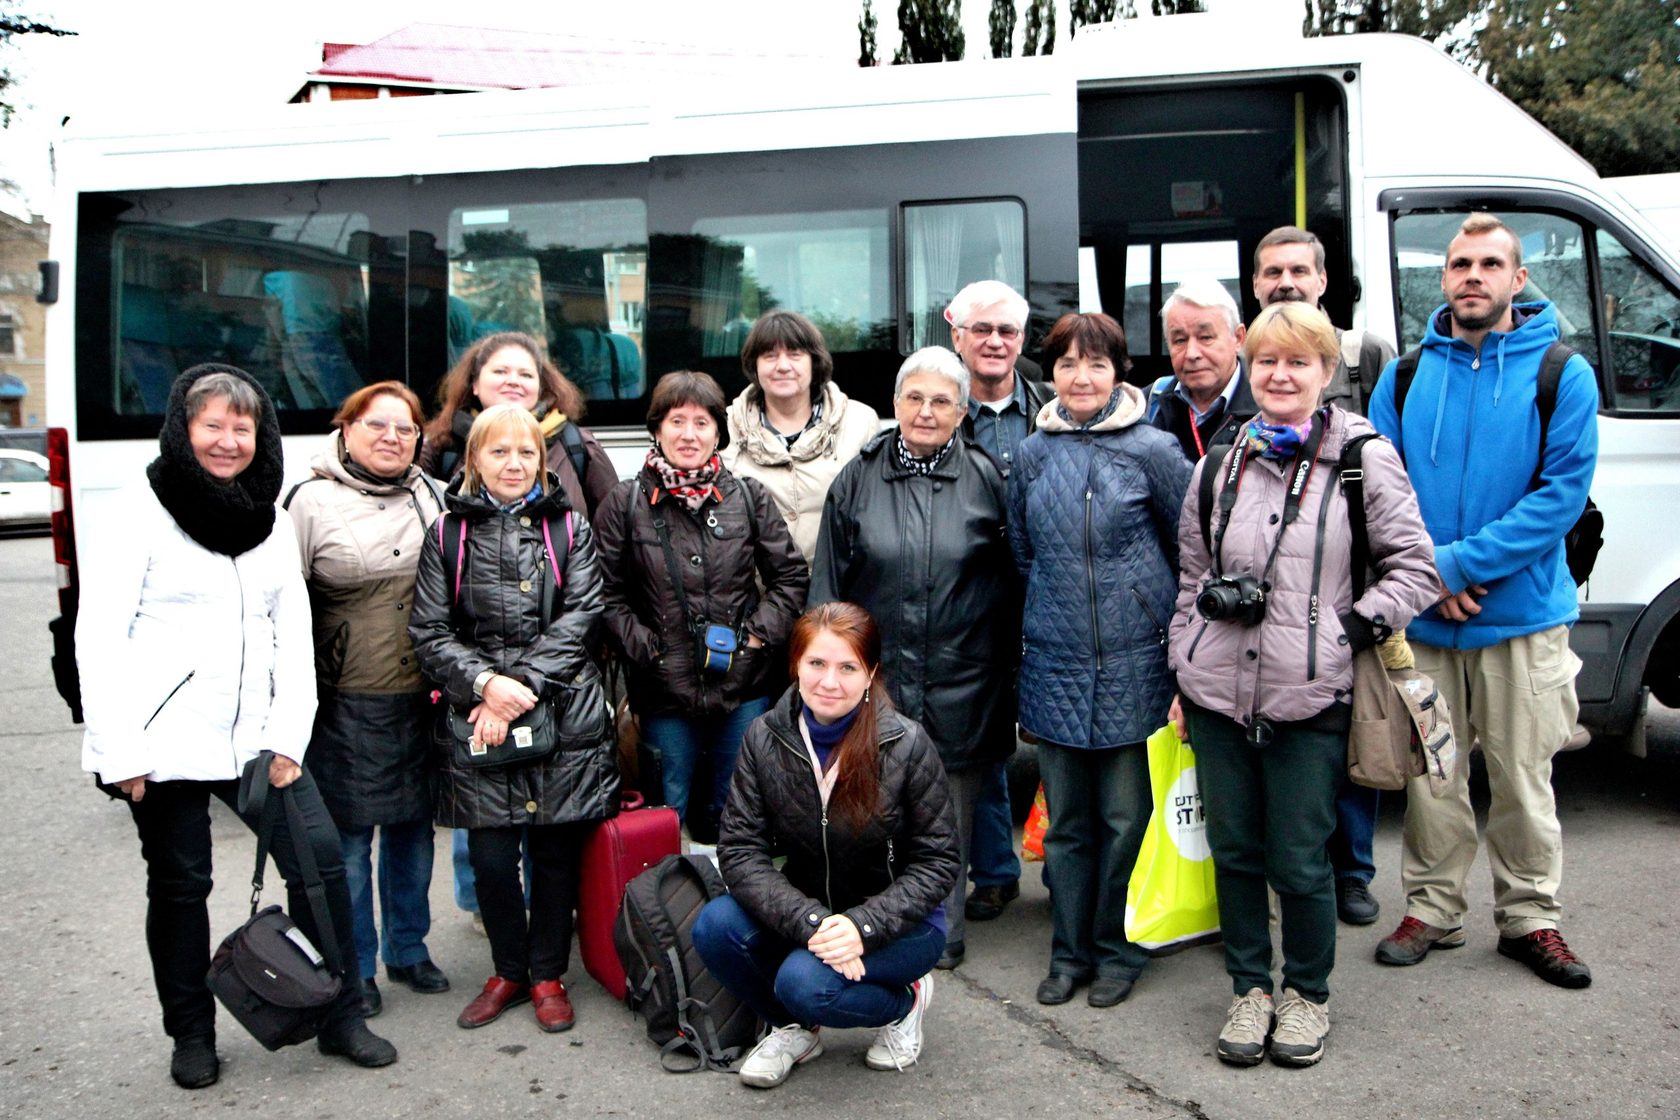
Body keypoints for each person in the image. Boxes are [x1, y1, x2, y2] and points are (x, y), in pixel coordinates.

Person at [77, 364, 397, 1090]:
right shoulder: (139, 509)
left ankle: (341, 1013)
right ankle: (191, 1032)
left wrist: (288, 736)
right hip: (165, 744)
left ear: (263, 436)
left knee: (320, 867)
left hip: (258, 738)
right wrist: (121, 748)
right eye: (212, 426)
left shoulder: (269, 517)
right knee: (181, 886)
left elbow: (292, 630)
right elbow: (99, 638)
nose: (227, 442)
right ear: (183, 430)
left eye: (241, 428)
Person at [1168, 302, 1437, 1068]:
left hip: (1310, 697)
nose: (1280, 375)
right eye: (1266, 362)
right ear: (1250, 371)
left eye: (1298, 362)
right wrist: (1185, 658)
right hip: (1218, 692)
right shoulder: (1221, 460)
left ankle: (1307, 997)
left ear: (1326, 374)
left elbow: (1415, 568)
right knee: (1236, 852)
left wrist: (1349, 634)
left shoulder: (1361, 459)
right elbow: (1193, 572)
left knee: (1298, 859)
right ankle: (1250, 989)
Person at [1368, 213, 1599, 989]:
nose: (1473, 275)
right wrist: (1431, 579)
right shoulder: (1403, 375)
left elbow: (1560, 496)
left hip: (1522, 621)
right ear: (1443, 279)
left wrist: (1457, 566)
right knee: (1433, 777)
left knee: (1522, 780)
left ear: (1518, 279)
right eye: (1460, 263)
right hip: (1428, 630)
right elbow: (1378, 489)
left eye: (1490, 264)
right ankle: (1431, 909)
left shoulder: (1562, 372)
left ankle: (1531, 918)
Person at [408, 404, 618, 1034]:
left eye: (525, 452)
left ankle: (549, 972)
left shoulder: (570, 530)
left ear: (540, 460)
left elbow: (582, 617)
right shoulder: (446, 534)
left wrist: (512, 689)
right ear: (475, 460)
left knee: (554, 856)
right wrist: (482, 686)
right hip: (480, 719)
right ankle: (509, 970)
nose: (513, 463)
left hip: (560, 718)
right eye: (498, 451)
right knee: (494, 860)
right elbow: (429, 630)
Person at [810, 346, 1018, 972]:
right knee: (872, 817)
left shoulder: (988, 478)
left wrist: (1007, 672)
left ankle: (940, 937)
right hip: (879, 683)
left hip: (965, 681)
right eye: (915, 398)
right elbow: (828, 586)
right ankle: (875, 930)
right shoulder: (858, 476)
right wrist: (829, 673)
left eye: (942, 401)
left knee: (946, 823)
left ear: (962, 410)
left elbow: (1013, 587)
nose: (926, 412)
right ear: (896, 403)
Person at [692, 602, 960, 1089]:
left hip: (901, 925)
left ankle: (906, 1003)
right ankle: (795, 1028)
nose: (829, 682)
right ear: (795, 664)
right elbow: (740, 851)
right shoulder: (763, 738)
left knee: (804, 981)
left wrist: (863, 925)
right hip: (808, 913)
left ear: (870, 673)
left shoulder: (906, 743)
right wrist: (812, 923)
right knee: (715, 926)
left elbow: (939, 861)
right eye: (816, 663)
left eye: (847, 667)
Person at [1007, 313, 1192, 1009]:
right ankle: (1069, 952)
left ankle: (1120, 949)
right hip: (1055, 666)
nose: (1081, 378)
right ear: (1049, 374)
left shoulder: (1154, 451)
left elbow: (1185, 555)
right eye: (1066, 365)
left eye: (1096, 363)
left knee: (1125, 824)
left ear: (1119, 371)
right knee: (1068, 826)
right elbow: (1024, 556)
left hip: (1136, 667)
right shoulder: (1030, 456)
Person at [285, 382, 450, 1018]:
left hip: (424, 693)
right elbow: (283, 605)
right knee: (350, 842)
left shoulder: (431, 495)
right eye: (376, 425)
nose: (391, 438)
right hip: (345, 697)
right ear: (346, 428)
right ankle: (355, 964)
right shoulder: (308, 501)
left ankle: (409, 949)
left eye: (405, 429)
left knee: (413, 832)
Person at [1253, 225, 1400, 927]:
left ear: (1322, 280)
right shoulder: (1252, 360)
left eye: (1297, 270)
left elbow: (1390, 463)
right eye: (1271, 271)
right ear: (1255, 285)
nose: (1285, 281)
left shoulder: (1369, 355)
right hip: (1278, 584)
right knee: (1297, 740)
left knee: (1354, 732)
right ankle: (1302, 871)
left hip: (1351, 576)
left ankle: (1354, 872)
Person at [594, 371, 809, 829]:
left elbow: (790, 577)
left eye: (701, 422)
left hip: (742, 687)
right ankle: (674, 902)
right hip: (661, 693)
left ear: (718, 432)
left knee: (738, 813)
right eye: (676, 421)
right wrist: (649, 650)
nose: (688, 435)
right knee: (666, 815)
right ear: (656, 428)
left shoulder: (748, 497)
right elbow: (604, 593)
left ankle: (734, 901)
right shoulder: (625, 502)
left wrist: (753, 640)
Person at [949, 278, 1048, 924]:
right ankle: (994, 870)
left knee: (1060, 744)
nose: (993, 342)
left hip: (1047, 604)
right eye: (980, 330)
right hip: (971, 603)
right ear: (955, 334)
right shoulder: (934, 408)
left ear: (1022, 339)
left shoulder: (1054, 405)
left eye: (1006, 331)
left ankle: (1065, 873)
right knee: (981, 746)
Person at [722, 309, 879, 563]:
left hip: (835, 593)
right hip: (758, 596)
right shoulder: (726, 427)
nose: (783, 366)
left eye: (795, 355)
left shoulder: (860, 422)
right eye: (770, 356)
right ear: (755, 365)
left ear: (814, 362)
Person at [420, 330, 614, 518]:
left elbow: (612, 531)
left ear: (540, 387)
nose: (513, 381)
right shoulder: (443, 444)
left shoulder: (578, 446)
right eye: (500, 371)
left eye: (526, 375)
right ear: (475, 384)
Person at [1151, 279, 1258, 461]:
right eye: (1179, 340)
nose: (1192, 354)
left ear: (1238, 338)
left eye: (1206, 337)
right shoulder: (1149, 406)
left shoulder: (1268, 407)